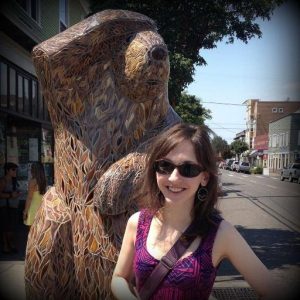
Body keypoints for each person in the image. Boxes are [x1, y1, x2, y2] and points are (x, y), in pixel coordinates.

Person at [111, 123, 283, 300]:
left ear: (204, 177)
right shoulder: (138, 222)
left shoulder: (220, 234)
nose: (174, 178)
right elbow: (119, 278)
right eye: (165, 166)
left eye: (188, 169)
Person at [0, 162, 21, 253]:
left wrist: (17, 193)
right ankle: (6, 246)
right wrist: (10, 195)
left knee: (11, 227)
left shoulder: (14, 180)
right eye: (13, 169)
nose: (15, 171)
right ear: (7, 171)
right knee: (6, 227)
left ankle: (11, 244)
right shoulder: (3, 181)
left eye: (16, 169)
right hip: (5, 207)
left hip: (13, 207)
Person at [23, 162, 47, 228]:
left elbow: (29, 198)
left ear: (33, 170)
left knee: (32, 234)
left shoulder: (32, 181)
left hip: (33, 208)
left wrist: (25, 211)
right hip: (42, 208)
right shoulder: (44, 181)